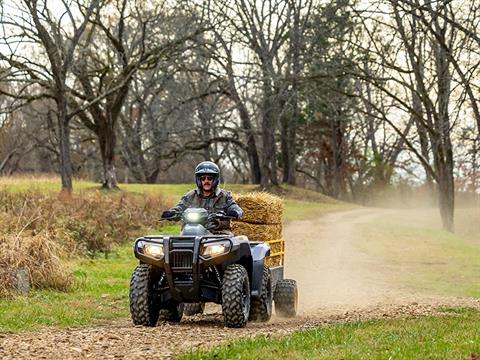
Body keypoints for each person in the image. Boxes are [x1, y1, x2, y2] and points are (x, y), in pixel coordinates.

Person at [161, 161, 243, 233]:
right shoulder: (191, 195)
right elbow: (180, 207)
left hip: (218, 233)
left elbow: (235, 207)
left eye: (209, 178)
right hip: (192, 232)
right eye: (203, 178)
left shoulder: (225, 196)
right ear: (199, 180)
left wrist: (234, 212)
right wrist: (171, 213)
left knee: (229, 245)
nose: (206, 181)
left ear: (215, 180)